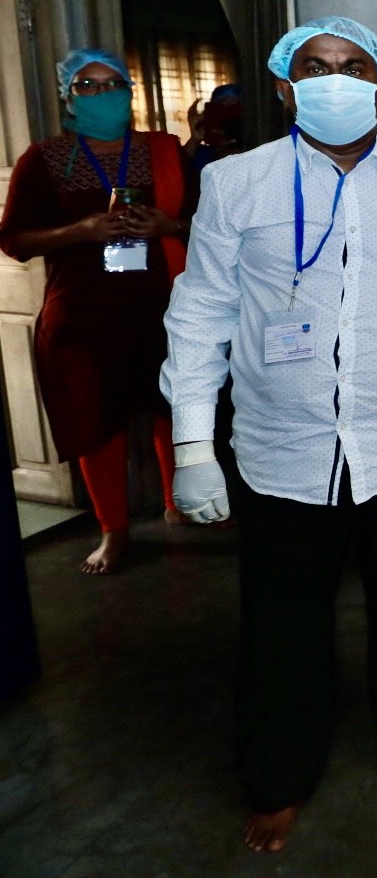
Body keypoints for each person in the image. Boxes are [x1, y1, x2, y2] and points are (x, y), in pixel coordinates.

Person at [160, 16, 377, 854]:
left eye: (353, 67)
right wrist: (194, 445)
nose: (335, 80)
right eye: (316, 67)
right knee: (282, 626)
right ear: (286, 87)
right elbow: (200, 313)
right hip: (283, 448)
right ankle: (278, 778)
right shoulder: (237, 184)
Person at [0, 49, 194, 574]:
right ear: (68, 97)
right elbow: (14, 240)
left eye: (114, 84)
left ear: (131, 91)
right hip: (82, 315)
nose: (103, 95)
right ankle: (114, 529)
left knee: (172, 408)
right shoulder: (42, 160)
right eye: (88, 86)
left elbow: (210, 223)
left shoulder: (166, 151)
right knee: (95, 421)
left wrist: (168, 227)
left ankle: (180, 505)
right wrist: (79, 232)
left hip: (162, 303)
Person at [185, 82, 243, 171]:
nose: (228, 117)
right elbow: (174, 171)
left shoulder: (257, 148)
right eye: (222, 110)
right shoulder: (202, 153)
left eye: (234, 109)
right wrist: (194, 139)